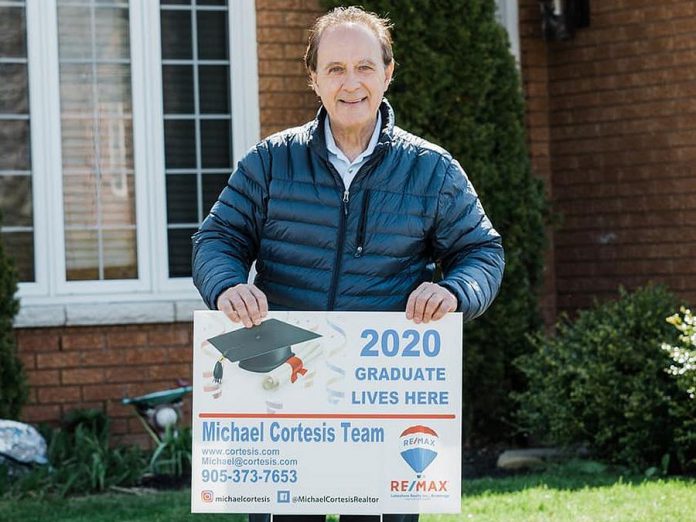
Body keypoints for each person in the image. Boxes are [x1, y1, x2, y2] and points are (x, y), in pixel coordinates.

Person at [192, 6, 505, 522]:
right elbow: (217, 237)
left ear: (388, 72)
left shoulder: (432, 170)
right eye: (335, 68)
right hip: (281, 390)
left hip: (381, 399)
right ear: (313, 78)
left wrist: (455, 292)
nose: (351, 83)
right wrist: (227, 285)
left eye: (364, 67)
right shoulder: (270, 162)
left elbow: (482, 252)